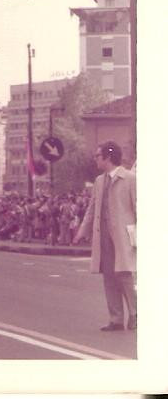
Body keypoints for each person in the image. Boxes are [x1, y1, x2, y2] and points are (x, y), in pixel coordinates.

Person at [74, 141, 137, 331]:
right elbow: (92, 210)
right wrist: (81, 232)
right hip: (103, 238)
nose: (95, 159)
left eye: (97, 156)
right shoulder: (100, 181)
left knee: (125, 275)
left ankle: (136, 314)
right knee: (109, 276)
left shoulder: (130, 178)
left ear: (108, 157)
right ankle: (116, 318)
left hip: (124, 237)